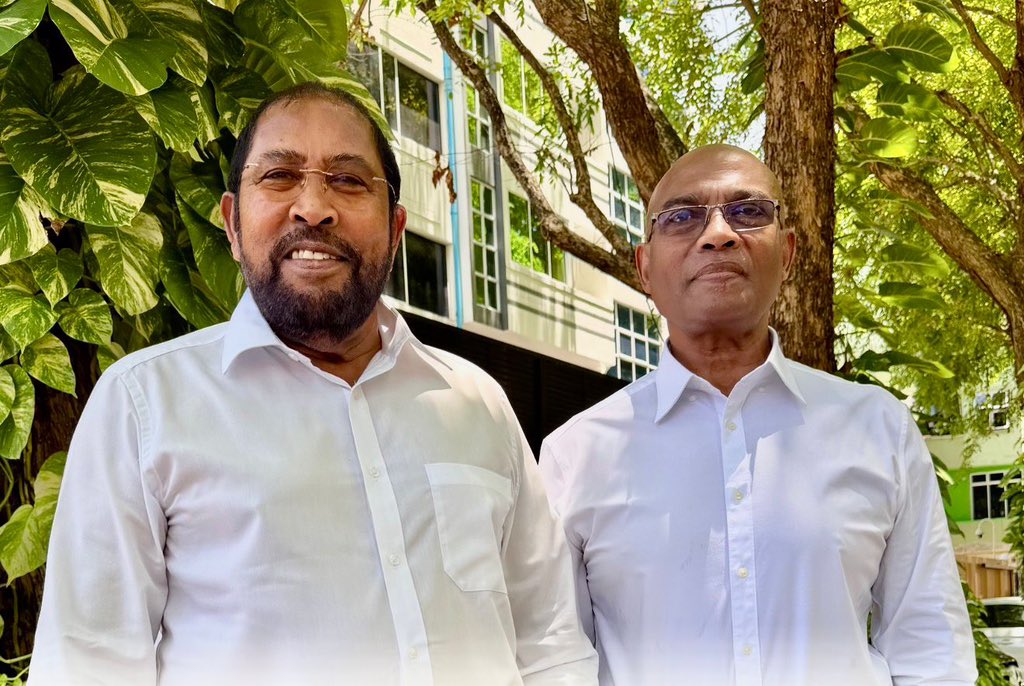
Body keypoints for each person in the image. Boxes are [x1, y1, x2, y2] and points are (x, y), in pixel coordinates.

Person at [30, 82, 597, 686]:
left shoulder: (477, 403)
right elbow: (88, 664)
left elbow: (550, 643)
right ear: (231, 223)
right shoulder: (146, 405)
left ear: (396, 228)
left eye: (348, 181)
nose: (313, 208)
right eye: (279, 176)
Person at [539, 144, 975, 686]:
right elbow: (556, 659)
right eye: (682, 217)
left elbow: (930, 648)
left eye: (748, 211)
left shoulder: (877, 429)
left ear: (787, 253)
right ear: (645, 267)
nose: (718, 234)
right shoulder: (576, 454)